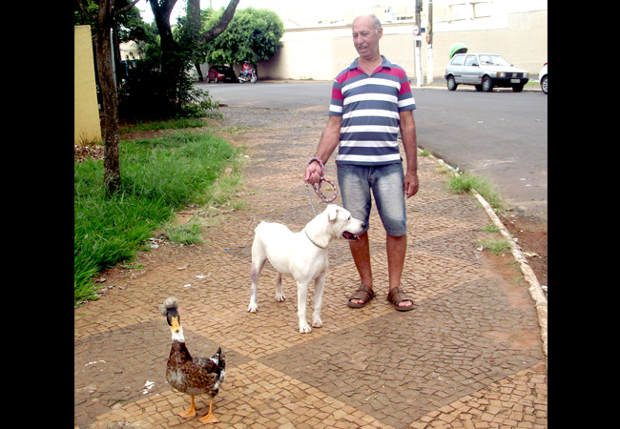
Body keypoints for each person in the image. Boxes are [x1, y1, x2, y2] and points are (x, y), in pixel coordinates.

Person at [303, 14, 419, 311]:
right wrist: (319, 160)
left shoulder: (398, 75)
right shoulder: (342, 79)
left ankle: (395, 287)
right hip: (351, 168)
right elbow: (333, 126)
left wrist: (412, 169)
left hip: (388, 166)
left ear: (379, 33)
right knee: (356, 228)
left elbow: (407, 124)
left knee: (396, 225)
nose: (359, 40)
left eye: (365, 34)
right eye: (355, 35)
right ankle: (366, 284)